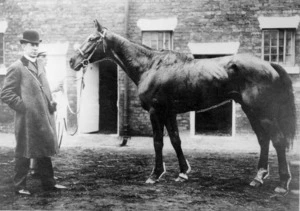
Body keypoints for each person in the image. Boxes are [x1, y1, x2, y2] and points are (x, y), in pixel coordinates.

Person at [0, 30, 66, 195]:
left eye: (37, 45)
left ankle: (49, 183)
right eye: (32, 45)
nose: (35, 48)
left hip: (43, 117)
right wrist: (24, 107)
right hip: (27, 119)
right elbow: (6, 93)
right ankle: (20, 186)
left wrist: (50, 104)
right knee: (23, 150)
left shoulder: (40, 65)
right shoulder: (16, 67)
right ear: (23, 45)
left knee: (44, 150)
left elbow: (44, 89)